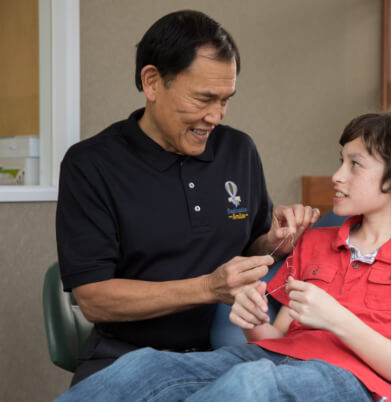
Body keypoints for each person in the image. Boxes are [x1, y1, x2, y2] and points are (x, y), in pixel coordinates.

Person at [54, 112, 391, 402]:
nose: (337, 176)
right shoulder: (315, 243)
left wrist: (337, 319)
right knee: (144, 367)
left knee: (250, 386)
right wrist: (254, 322)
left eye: (355, 165)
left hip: (351, 380)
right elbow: (279, 340)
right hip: (271, 359)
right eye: (339, 160)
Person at [55, 9, 319, 386]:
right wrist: (208, 287)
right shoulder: (91, 165)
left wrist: (275, 241)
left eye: (226, 100)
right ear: (152, 82)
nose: (215, 116)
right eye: (203, 99)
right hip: (127, 355)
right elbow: (94, 298)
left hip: (226, 355)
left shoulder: (238, 150)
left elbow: (255, 241)